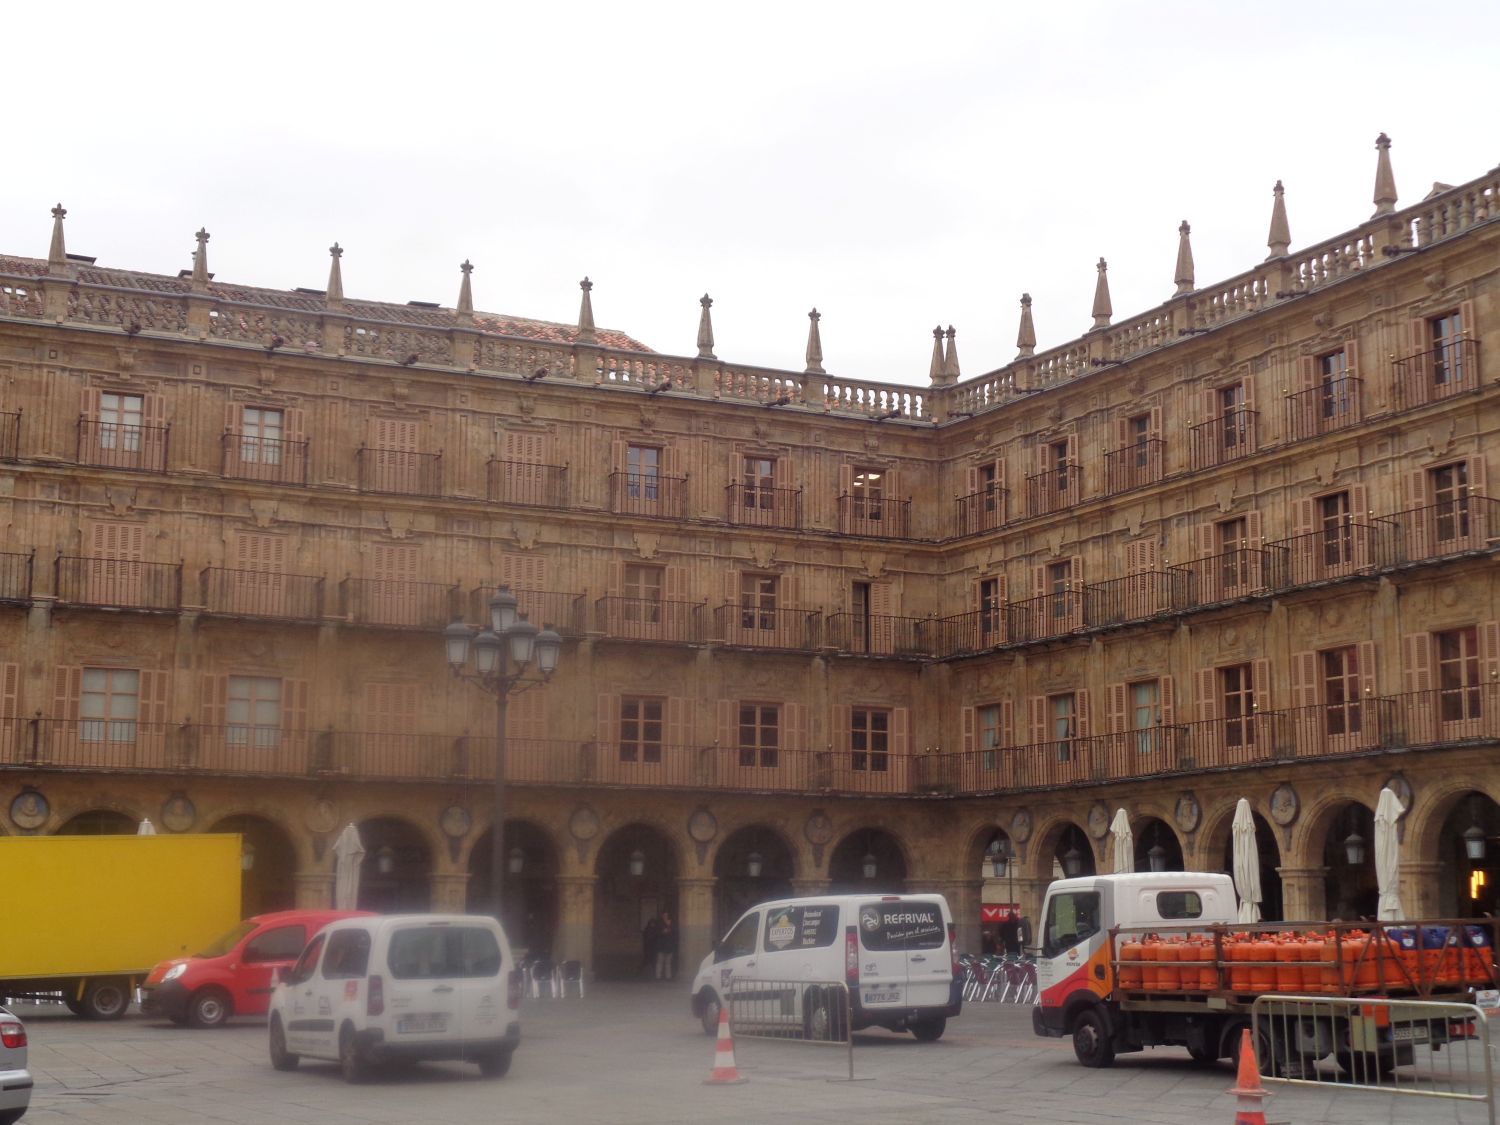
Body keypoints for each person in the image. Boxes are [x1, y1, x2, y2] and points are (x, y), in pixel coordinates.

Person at [655, 910, 678, 980]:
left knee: (668, 962)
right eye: (664, 915)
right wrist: (663, 932)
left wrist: (669, 926)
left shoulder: (672, 923)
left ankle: (668, 976)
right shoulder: (659, 923)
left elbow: (675, 933)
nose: (665, 917)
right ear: (662, 916)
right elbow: (656, 933)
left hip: (669, 946)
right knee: (660, 962)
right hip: (661, 946)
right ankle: (658, 976)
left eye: (666, 915)